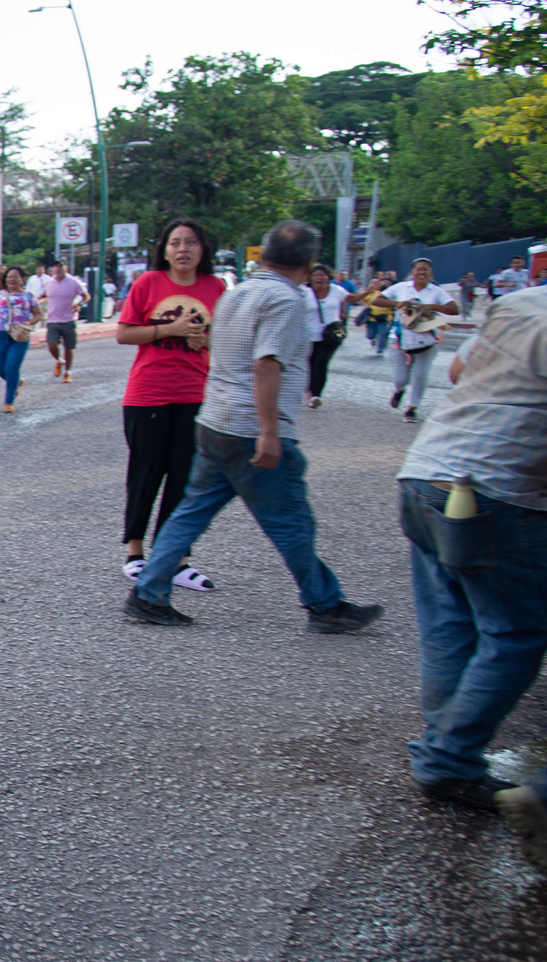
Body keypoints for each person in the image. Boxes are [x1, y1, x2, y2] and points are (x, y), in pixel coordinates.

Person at [123, 220, 383, 633]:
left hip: (215, 419)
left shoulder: (238, 292)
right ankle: (325, 604)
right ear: (309, 261)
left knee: (191, 511)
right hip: (247, 427)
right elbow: (266, 364)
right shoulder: (284, 300)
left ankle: (149, 593)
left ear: (266, 252)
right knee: (290, 521)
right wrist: (269, 431)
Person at [387, 285, 547, 818]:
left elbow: (459, 372)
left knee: (448, 621)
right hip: (496, 489)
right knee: (516, 632)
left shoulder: (522, 301)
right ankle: (448, 755)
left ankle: (446, 752)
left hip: (426, 470)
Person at [115, 216, 225, 592]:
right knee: (146, 473)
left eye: (190, 242)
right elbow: (124, 333)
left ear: (203, 249)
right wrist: (170, 330)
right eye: (175, 242)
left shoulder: (217, 287)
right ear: (164, 249)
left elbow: (226, 339)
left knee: (185, 478)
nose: (182, 249)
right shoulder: (148, 283)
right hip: (148, 393)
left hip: (195, 394)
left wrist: (203, 341)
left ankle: (178, 559)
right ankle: (135, 553)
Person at [382, 257, 459, 423]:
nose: (422, 272)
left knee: (420, 375)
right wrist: (398, 303)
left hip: (427, 339)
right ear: (412, 272)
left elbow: (454, 308)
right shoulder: (402, 288)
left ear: (430, 273)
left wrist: (428, 307)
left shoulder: (436, 291)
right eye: (419, 269)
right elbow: (377, 300)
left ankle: (412, 408)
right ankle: (399, 390)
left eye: (426, 269)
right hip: (399, 339)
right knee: (401, 378)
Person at [0, 264, 39, 412]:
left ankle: (9, 402)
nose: (12, 280)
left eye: (15, 277)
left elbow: (39, 314)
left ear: (22, 279)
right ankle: (16, 382)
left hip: (19, 334)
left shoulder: (28, 296)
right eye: (9, 277)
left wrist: (29, 322)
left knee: (12, 367)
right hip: (0, 333)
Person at [301, 265, 350, 409]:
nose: (319, 278)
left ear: (329, 277)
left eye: (322, 275)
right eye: (315, 275)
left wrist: (370, 290)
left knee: (321, 364)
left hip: (330, 335)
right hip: (309, 335)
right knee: (309, 365)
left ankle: (316, 395)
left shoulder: (336, 290)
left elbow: (351, 298)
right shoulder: (305, 292)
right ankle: (309, 391)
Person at [34, 260, 89, 382]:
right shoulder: (48, 283)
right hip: (52, 319)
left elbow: (86, 296)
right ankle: (59, 360)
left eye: (60, 266)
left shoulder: (74, 282)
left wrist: (79, 304)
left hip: (68, 319)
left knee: (69, 347)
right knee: (52, 344)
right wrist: (38, 302)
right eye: (56, 266)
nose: (58, 269)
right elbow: (43, 296)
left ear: (66, 268)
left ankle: (67, 372)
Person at [354, 270, 398, 355]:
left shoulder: (390, 294)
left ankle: (380, 349)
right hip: (372, 318)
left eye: (386, 283)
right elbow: (364, 298)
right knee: (369, 335)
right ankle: (373, 339)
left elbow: (395, 304)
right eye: (383, 283)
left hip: (384, 318)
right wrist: (366, 305)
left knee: (382, 334)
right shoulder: (374, 292)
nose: (384, 284)